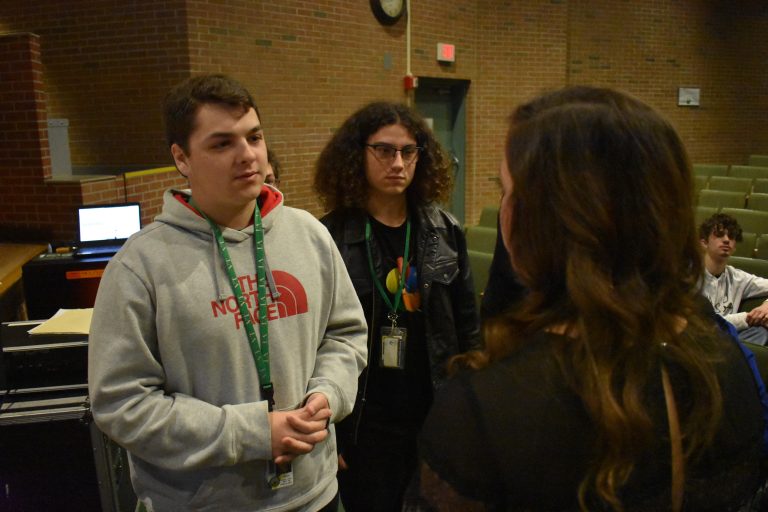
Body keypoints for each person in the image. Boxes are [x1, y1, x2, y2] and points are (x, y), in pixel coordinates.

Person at [414, 86, 767, 511]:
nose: (503, 208)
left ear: (545, 221)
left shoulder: (483, 411)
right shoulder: (728, 361)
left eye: (507, 192)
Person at [87, 74, 368, 512]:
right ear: (181, 158)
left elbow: (345, 334)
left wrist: (327, 394)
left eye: (254, 137)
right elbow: (122, 403)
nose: (248, 155)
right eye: (222, 144)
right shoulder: (140, 266)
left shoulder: (310, 235)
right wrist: (251, 432)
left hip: (315, 494)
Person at [313, 101, 481, 511]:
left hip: (433, 413)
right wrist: (331, 432)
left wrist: (469, 414)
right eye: (384, 151)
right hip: (364, 423)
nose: (398, 163)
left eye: (408, 151)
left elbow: (468, 330)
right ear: (358, 154)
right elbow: (314, 345)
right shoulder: (329, 236)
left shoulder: (444, 231)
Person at [699, 212, 768, 345]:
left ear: (734, 247)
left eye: (731, 236)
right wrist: (746, 318)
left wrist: (766, 306)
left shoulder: (737, 277)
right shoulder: (689, 277)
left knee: (762, 331)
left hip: (727, 340)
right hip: (696, 341)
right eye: (719, 235)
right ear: (704, 243)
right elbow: (703, 324)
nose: (726, 240)